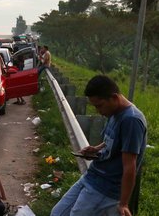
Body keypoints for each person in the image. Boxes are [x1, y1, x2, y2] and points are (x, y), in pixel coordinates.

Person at [51, 75, 147, 216]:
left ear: (114, 98)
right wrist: (96, 149)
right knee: (57, 213)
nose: (98, 111)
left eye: (99, 105)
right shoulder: (114, 112)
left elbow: (130, 166)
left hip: (106, 188)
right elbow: (113, 140)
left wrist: (124, 203)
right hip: (92, 176)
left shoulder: (131, 120)